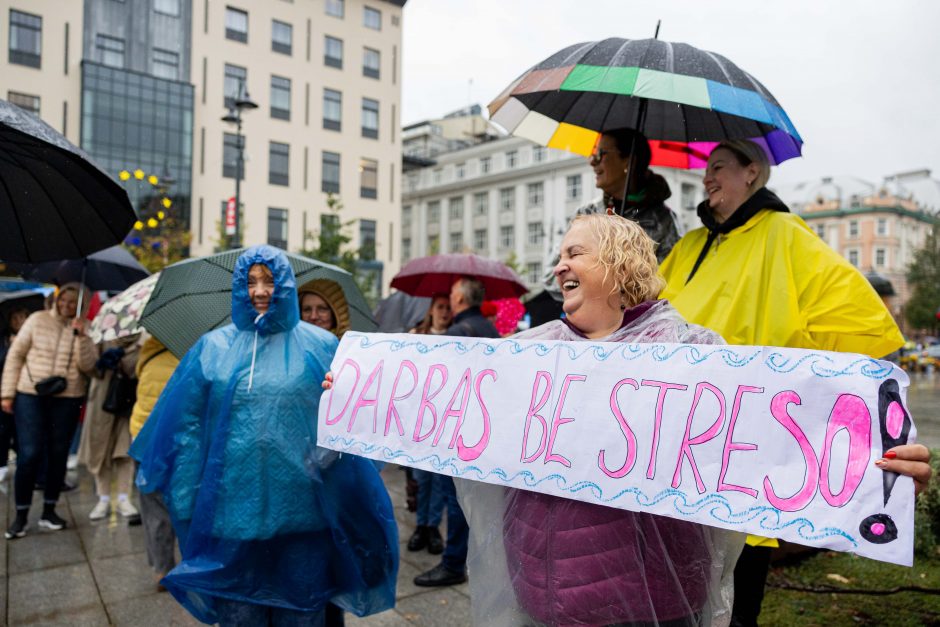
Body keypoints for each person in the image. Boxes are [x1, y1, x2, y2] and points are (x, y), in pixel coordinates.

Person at [659, 139, 933, 626]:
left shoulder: (787, 235)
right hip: (672, 454)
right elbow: (642, 317)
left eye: (719, 166)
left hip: (746, 459)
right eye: (706, 168)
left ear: (752, 173)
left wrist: (862, 430)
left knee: (732, 608)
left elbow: (864, 334)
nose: (708, 177)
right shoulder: (687, 248)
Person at [458, 214, 743, 625]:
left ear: (619, 263)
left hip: (645, 598)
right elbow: (452, 401)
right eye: (560, 256)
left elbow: (761, 438)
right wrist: (356, 389)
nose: (559, 268)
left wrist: (865, 449)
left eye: (575, 253)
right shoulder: (534, 352)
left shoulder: (687, 351)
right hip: (543, 590)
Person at [130, 246, 398, 626]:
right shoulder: (212, 348)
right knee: (241, 615)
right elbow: (187, 430)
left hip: (305, 515)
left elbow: (350, 422)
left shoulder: (321, 346)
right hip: (230, 519)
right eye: (250, 281)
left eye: (269, 280)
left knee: (303, 612)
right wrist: (188, 502)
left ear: (285, 285)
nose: (259, 290)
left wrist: (339, 400)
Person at [413, 277, 499, 588]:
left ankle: (453, 563)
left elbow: (444, 386)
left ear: (461, 299)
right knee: (475, 501)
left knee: (456, 500)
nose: (449, 299)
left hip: (459, 431)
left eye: (452, 293)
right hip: (484, 429)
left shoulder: (457, 332)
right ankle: (476, 559)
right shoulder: (491, 329)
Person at [3, 284, 96, 539]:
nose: (66, 306)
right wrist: (7, 393)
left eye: (73, 302)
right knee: (30, 452)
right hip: (30, 393)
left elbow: (89, 367)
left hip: (68, 396)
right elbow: (15, 356)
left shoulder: (85, 328)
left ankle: (49, 510)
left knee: (58, 453)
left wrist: (82, 337)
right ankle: (21, 514)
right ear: (56, 300)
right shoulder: (37, 320)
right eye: (63, 300)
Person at [129, 335, 180, 589]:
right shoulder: (194, 353)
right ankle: (192, 564)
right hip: (178, 441)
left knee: (153, 508)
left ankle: (162, 569)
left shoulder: (147, 351)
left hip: (143, 438)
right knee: (185, 506)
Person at [405, 295, 453, 555]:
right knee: (421, 478)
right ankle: (420, 525)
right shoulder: (416, 335)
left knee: (439, 479)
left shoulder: (459, 337)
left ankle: (433, 526)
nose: (444, 312)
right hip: (418, 421)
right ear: (431, 310)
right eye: (440, 307)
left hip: (445, 421)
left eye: (448, 307)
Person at [78, 334, 141, 520]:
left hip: (128, 400)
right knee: (100, 450)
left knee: (125, 451)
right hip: (101, 400)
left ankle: (124, 497)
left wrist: (127, 357)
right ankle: (103, 498)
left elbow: (138, 369)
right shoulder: (99, 334)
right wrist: (83, 341)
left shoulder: (143, 338)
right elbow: (87, 366)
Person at [0, 306, 29, 482]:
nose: (18, 322)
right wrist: (10, 347)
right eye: (15, 318)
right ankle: (1, 464)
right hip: (4, 391)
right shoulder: (4, 339)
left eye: (22, 317)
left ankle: (23, 464)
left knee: (22, 432)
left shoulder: (33, 336)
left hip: (25, 392)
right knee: (3, 430)